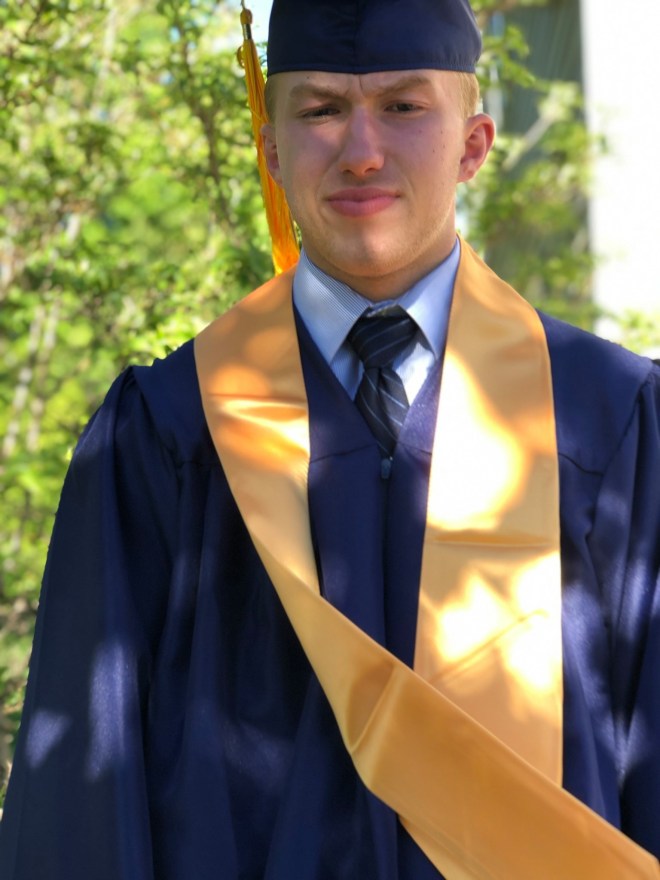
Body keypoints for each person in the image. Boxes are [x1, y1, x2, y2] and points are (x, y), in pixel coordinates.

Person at [1, 0, 659, 877]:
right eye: (319, 109)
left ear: (473, 145)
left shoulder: (610, 421)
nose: (361, 151)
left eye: (403, 106)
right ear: (272, 150)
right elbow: (83, 801)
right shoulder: (166, 432)